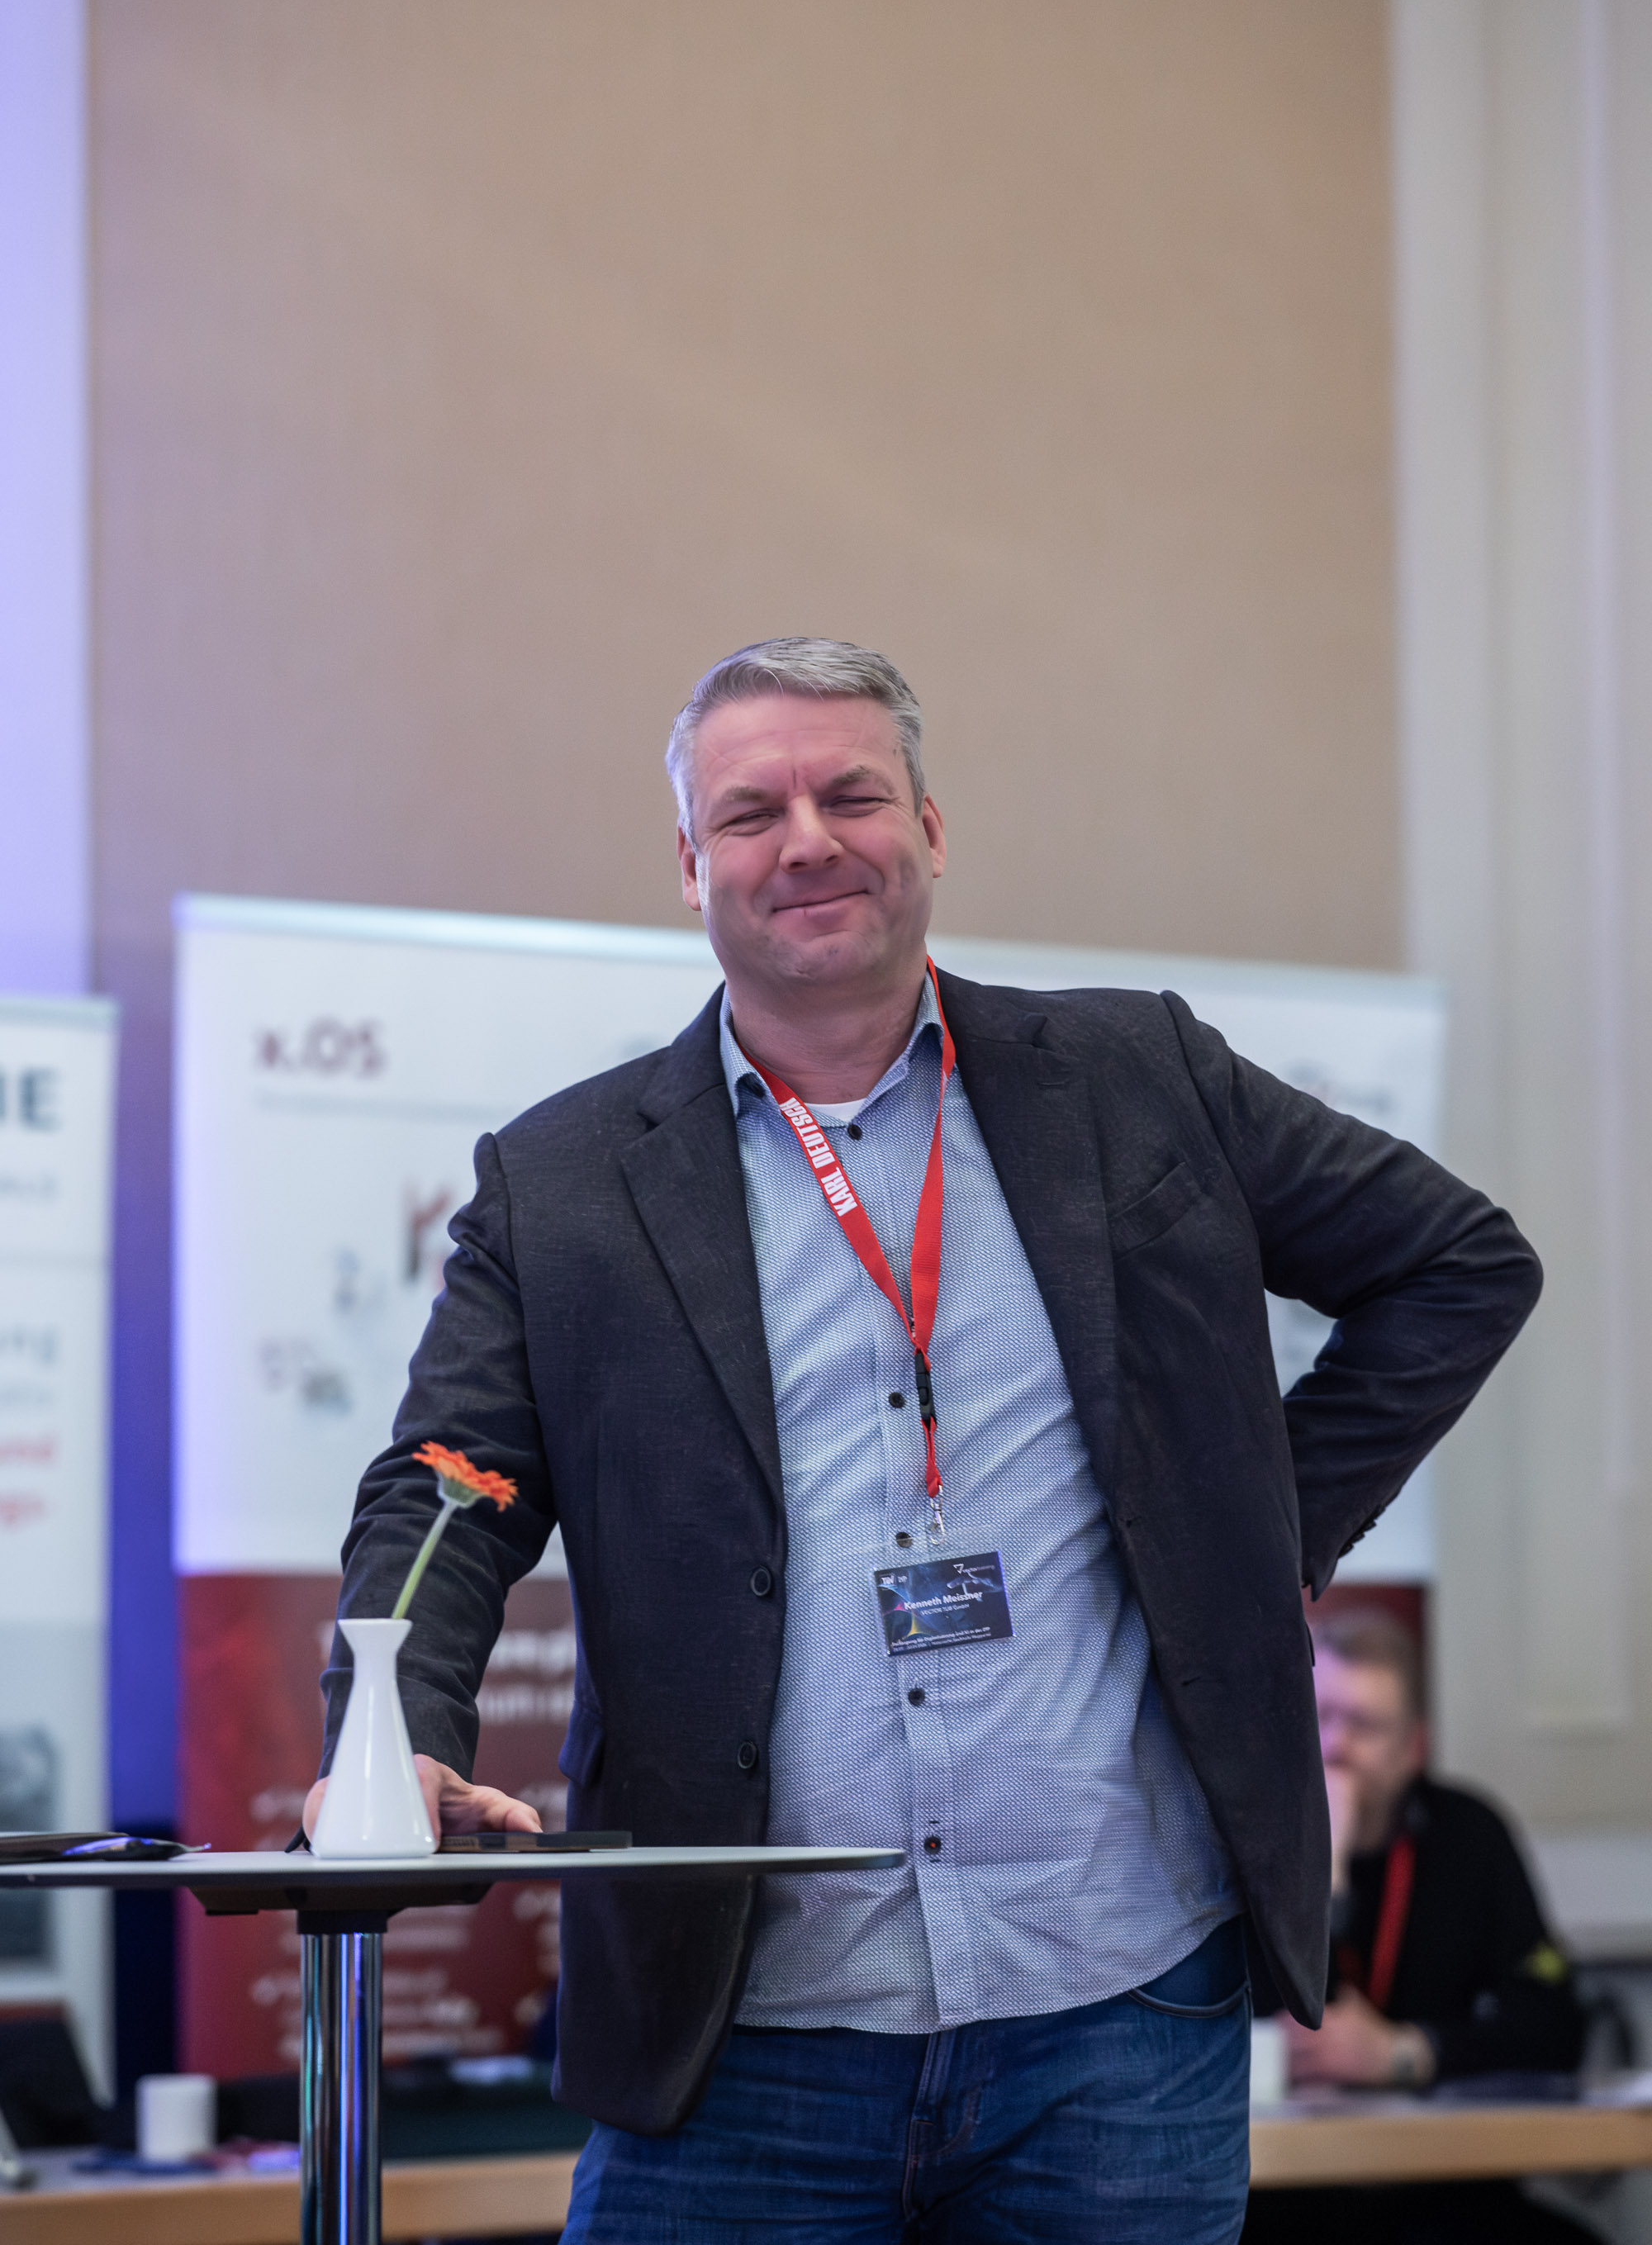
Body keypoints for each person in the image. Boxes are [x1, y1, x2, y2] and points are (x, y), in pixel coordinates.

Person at [302, 637, 1541, 2243]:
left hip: (1117, 2016)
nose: (807, 840)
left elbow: (1456, 1265)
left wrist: (1256, 1539)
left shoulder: (1141, 1080)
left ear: (932, 830)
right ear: (689, 865)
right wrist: (392, 1725)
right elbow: (447, 1485)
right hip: (739, 2043)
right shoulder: (566, 1185)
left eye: (853, 795)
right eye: (750, 813)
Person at [1243, 1607, 1590, 2245]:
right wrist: (1326, 1870)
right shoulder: (1249, 1839)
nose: (1336, 1747)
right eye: (1321, 1717)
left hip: (1441, 2190)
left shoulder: (1468, 1835)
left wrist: (1406, 2053)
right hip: (1284, 2197)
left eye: (1365, 1725)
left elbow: (1554, 2024)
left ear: (1413, 1749)